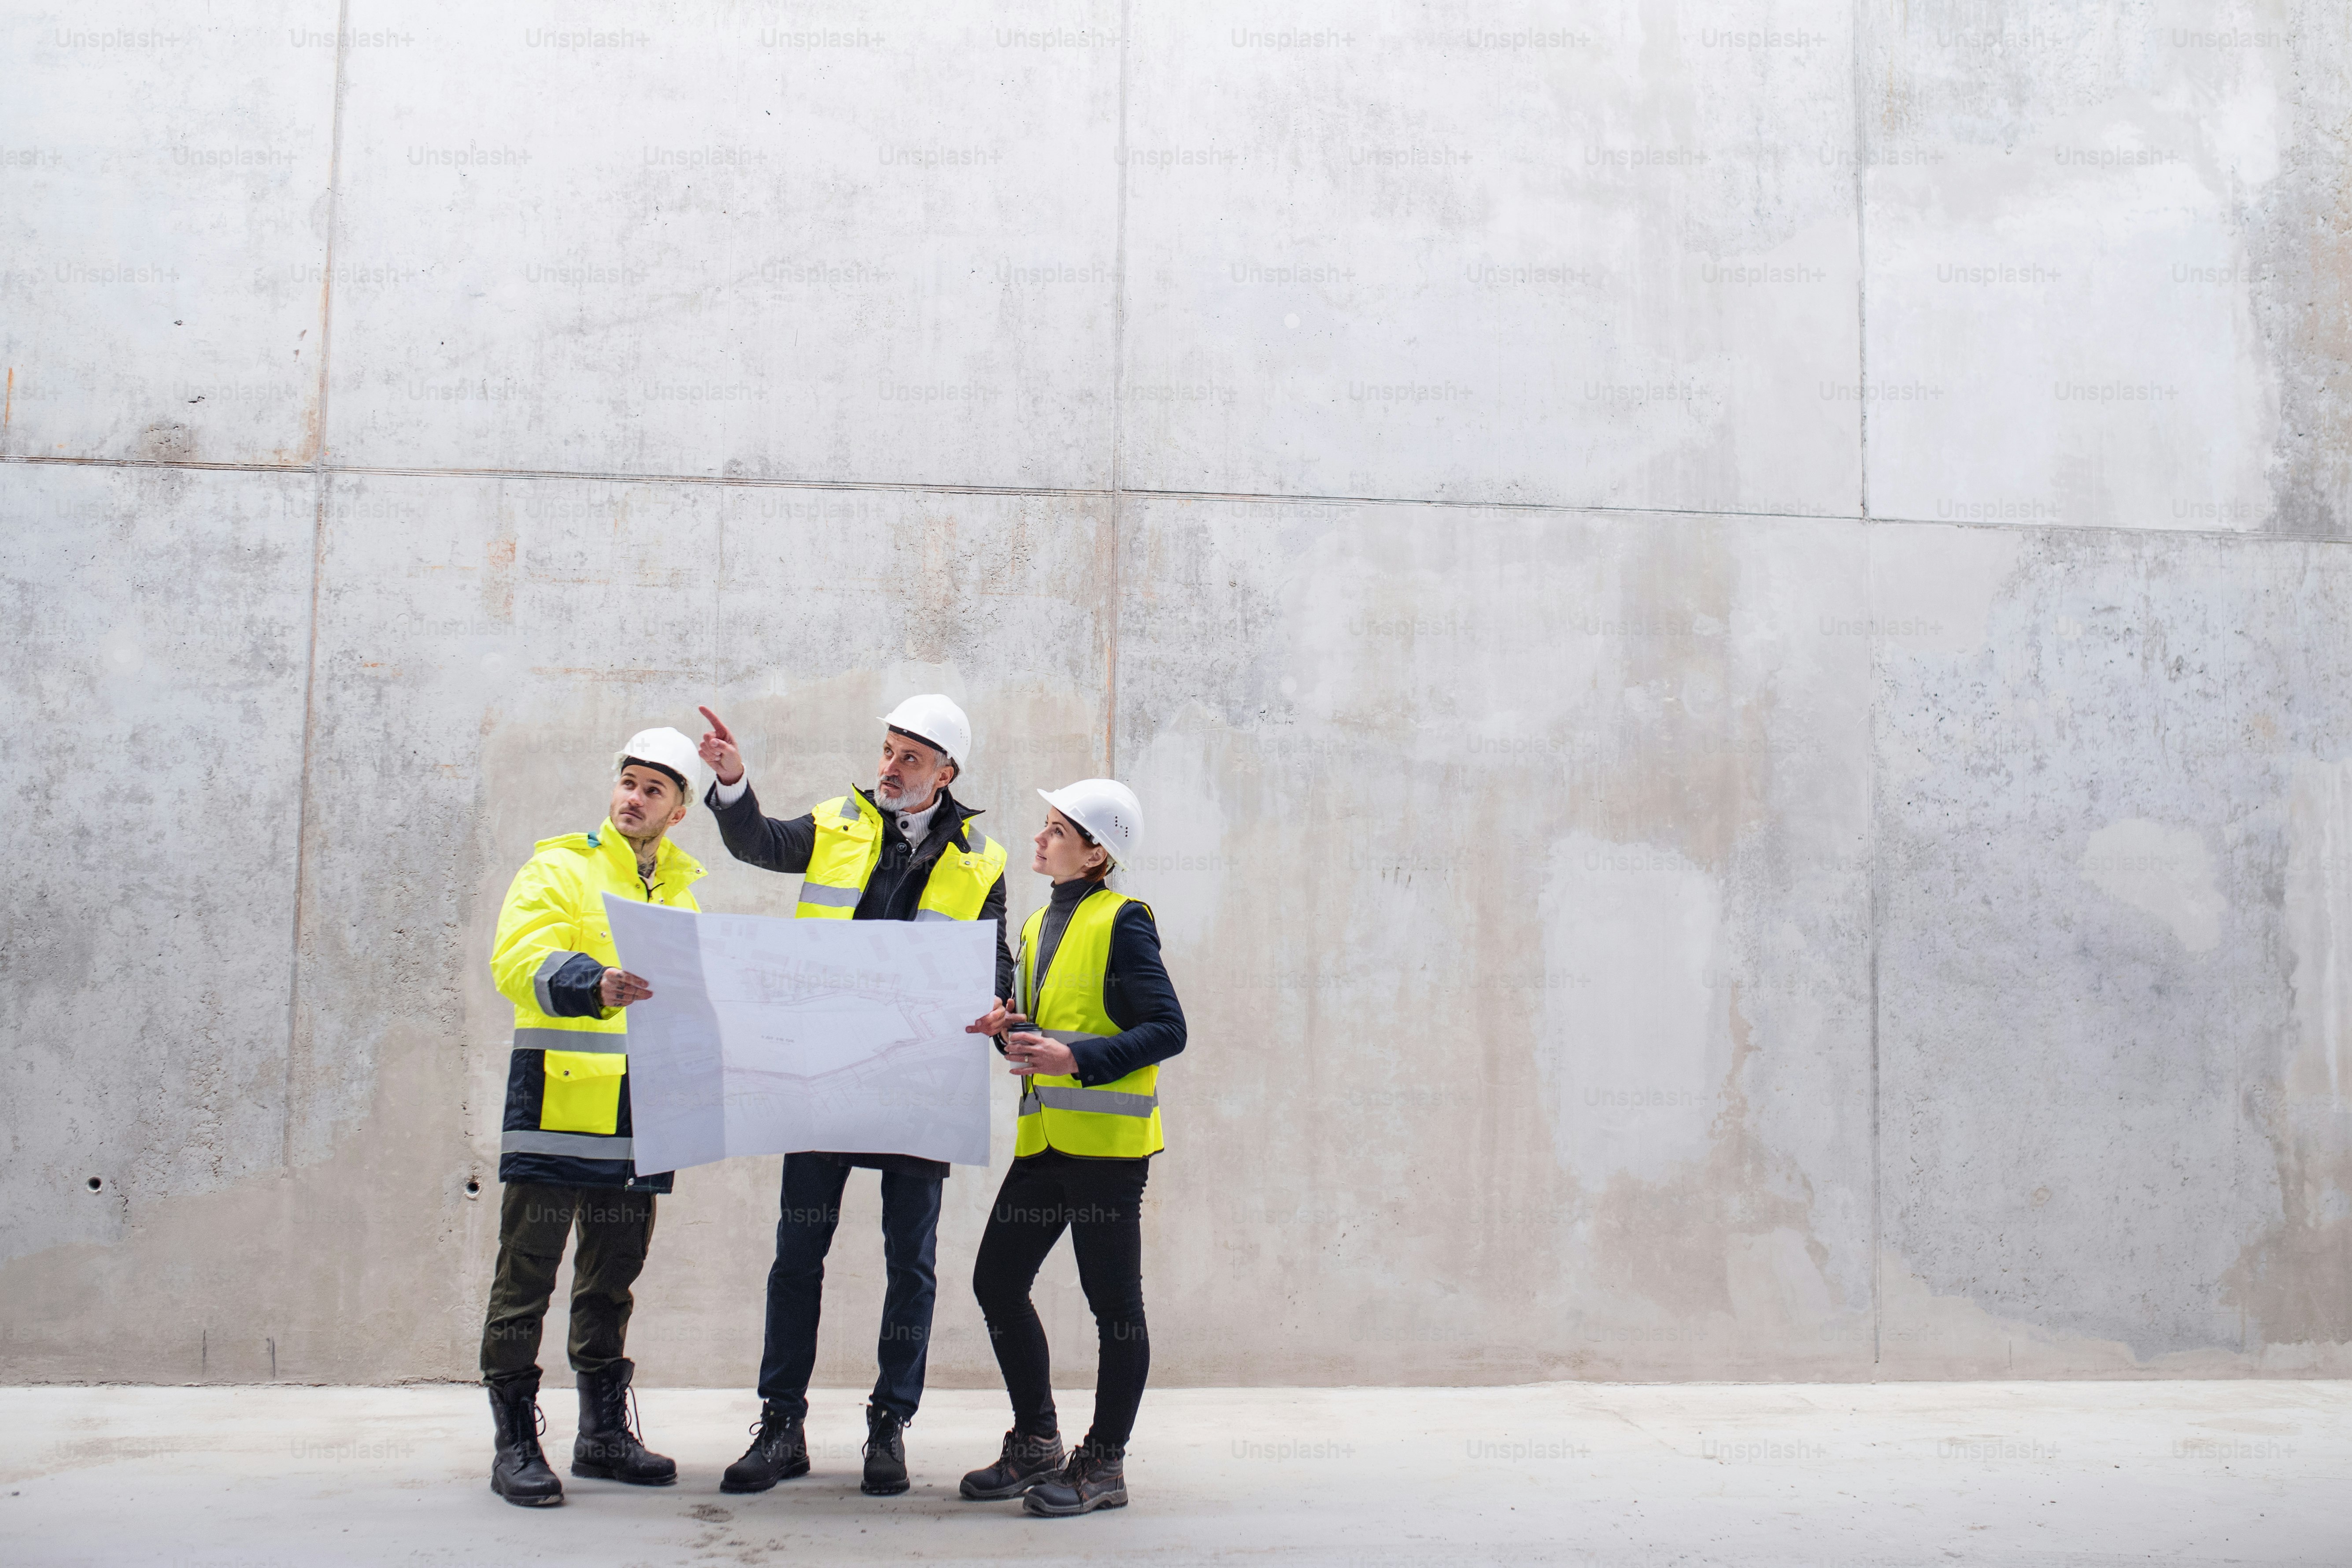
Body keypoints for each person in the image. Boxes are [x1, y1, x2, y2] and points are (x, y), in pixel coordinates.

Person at [696, 695, 1014, 1497]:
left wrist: (1000, 1004)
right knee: (798, 1255)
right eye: (887, 751)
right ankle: (781, 1427)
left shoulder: (983, 856)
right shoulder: (838, 821)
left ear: (947, 773)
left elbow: (993, 955)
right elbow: (761, 845)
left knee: (911, 1263)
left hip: (918, 1078)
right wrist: (734, 784)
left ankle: (889, 1426)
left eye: (910, 758)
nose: (890, 769)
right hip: (823, 1074)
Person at [479, 727, 709, 1508]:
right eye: (629, 782)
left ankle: (602, 1436)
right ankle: (515, 1443)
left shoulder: (680, 892)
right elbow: (515, 958)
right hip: (556, 1108)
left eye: (654, 789)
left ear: (678, 811)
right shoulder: (561, 866)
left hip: (638, 1121)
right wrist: (593, 983)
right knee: (525, 1284)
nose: (634, 798)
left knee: (612, 1281)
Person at [957, 778, 1185, 1517]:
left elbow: (1168, 1029)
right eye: (1046, 826)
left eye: (1057, 830)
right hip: (1047, 1143)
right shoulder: (1034, 927)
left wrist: (1075, 1060)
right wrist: (1011, 1032)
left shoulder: (1125, 922)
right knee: (997, 1283)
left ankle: (1105, 1465)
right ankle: (1037, 1443)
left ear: (1095, 852)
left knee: (1113, 1306)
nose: (1040, 838)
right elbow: (1045, 1038)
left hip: (1107, 1154)